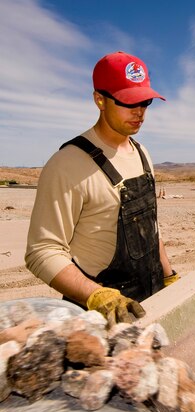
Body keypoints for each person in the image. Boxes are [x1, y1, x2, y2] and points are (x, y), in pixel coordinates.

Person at [25, 51, 179, 326]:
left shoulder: (142, 154)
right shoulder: (68, 164)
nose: (140, 112)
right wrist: (96, 296)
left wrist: (168, 276)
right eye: (129, 102)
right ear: (99, 99)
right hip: (100, 318)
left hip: (150, 303)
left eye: (145, 102)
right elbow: (42, 251)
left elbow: (150, 228)